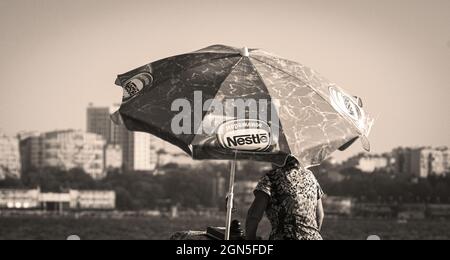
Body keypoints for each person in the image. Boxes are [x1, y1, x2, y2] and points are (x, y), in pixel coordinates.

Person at [245, 155, 325, 240]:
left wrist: (250, 238)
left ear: (279, 159)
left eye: (273, 158)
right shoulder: (310, 176)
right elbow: (320, 215)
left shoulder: (271, 177)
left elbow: (254, 215)